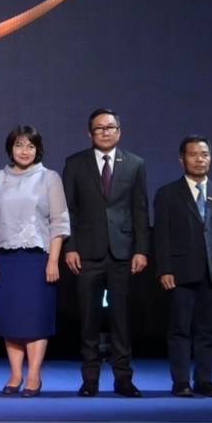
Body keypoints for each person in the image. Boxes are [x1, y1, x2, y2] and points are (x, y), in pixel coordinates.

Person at [61, 108, 150, 397]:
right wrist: (70, 247)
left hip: (123, 253)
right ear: (90, 133)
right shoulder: (75, 164)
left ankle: (123, 379)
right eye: (99, 128)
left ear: (119, 132)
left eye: (110, 127)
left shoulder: (135, 164)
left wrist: (141, 250)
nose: (105, 132)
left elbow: (140, 209)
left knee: (121, 319)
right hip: (87, 253)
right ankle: (90, 379)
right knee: (89, 319)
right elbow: (68, 211)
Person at [0, 126, 69, 397]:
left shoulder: (49, 178)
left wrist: (53, 261)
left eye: (30, 146)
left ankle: (34, 375)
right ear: (10, 148)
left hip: (37, 259)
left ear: (38, 150)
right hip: (6, 260)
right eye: (19, 145)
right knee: (11, 319)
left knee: (35, 320)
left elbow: (59, 222)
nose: (24, 151)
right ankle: (15, 374)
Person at [152, 136, 212, 398]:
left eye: (205, 154)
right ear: (182, 160)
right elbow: (161, 235)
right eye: (194, 154)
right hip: (180, 272)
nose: (200, 159)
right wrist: (164, 269)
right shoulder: (168, 193)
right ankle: (181, 381)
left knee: (207, 330)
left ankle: (204, 380)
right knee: (180, 329)